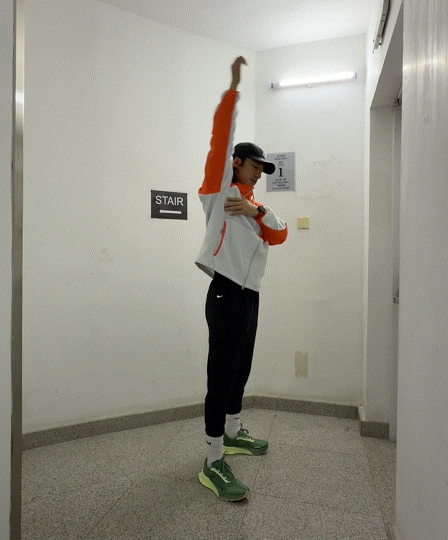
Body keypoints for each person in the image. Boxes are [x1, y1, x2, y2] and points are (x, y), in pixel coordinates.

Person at [195, 56, 288, 502]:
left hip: (250, 296)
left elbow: (280, 233)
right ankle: (213, 460)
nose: (258, 173)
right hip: (225, 292)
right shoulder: (219, 191)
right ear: (237, 163)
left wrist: (256, 209)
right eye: (254, 166)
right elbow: (221, 138)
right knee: (221, 374)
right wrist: (233, 89)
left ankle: (233, 433)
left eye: (263, 169)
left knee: (241, 368)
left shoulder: (253, 205)